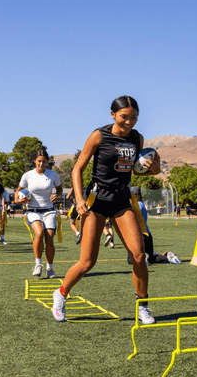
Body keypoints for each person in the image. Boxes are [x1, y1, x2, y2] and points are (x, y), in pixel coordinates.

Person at [52, 95, 161, 323]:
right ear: (113, 115)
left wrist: (154, 168)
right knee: (87, 263)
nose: (129, 122)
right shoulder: (99, 135)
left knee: (139, 256)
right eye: (124, 117)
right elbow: (77, 169)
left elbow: (142, 171)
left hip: (122, 199)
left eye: (134, 117)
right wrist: (79, 199)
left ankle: (142, 305)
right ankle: (61, 294)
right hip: (96, 200)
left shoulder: (137, 139)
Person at [15, 150, 63, 278]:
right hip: (33, 211)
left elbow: (59, 189)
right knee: (39, 233)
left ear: (47, 162)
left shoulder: (52, 174)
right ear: (35, 161)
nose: (41, 164)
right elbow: (18, 191)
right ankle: (38, 264)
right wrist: (18, 200)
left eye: (44, 162)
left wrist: (56, 195)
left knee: (49, 239)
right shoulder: (27, 175)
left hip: (49, 211)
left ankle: (50, 268)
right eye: (39, 161)